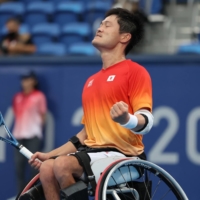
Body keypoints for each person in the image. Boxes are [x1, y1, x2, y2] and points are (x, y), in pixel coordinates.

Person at [29, 8, 153, 200]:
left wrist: (126, 119)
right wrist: (50, 154)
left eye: (107, 25)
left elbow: (147, 121)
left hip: (124, 158)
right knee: (47, 168)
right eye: (101, 23)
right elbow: (86, 134)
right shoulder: (91, 82)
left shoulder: (136, 72)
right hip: (92, 154)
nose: (100, 28)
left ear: (124, 37)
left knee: (62, 165)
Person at [12, 71, 47, 192]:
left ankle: (32, 195)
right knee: (19, 168)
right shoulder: (17, 97)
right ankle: (21, 195)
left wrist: (39, 132)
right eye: (23, 79)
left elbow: (43, 116)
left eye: (28, 79)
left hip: (33, 136)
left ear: (34, 81)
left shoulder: (39, 96)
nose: (25, 82)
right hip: (18, 136)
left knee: (33, 169)